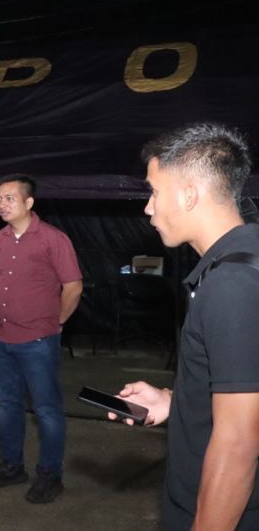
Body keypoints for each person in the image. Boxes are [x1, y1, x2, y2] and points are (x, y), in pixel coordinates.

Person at [113, 122, 259, 530]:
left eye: (154, 192)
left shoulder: (232, 285)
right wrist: (175, 402)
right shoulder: (244, 259)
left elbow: (238, 444)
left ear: (189, 194)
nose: (148, 207)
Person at [0, 174, 82, 504]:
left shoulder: (53, 239)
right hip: (0, 338)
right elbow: (2, 280)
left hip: (37, 341)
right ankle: (12, 466)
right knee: (8, 405)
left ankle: (50, 474)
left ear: (29, 202)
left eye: (9, 198)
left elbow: (73, 286)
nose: (2, 204)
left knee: (46, 409)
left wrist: (56, 322)